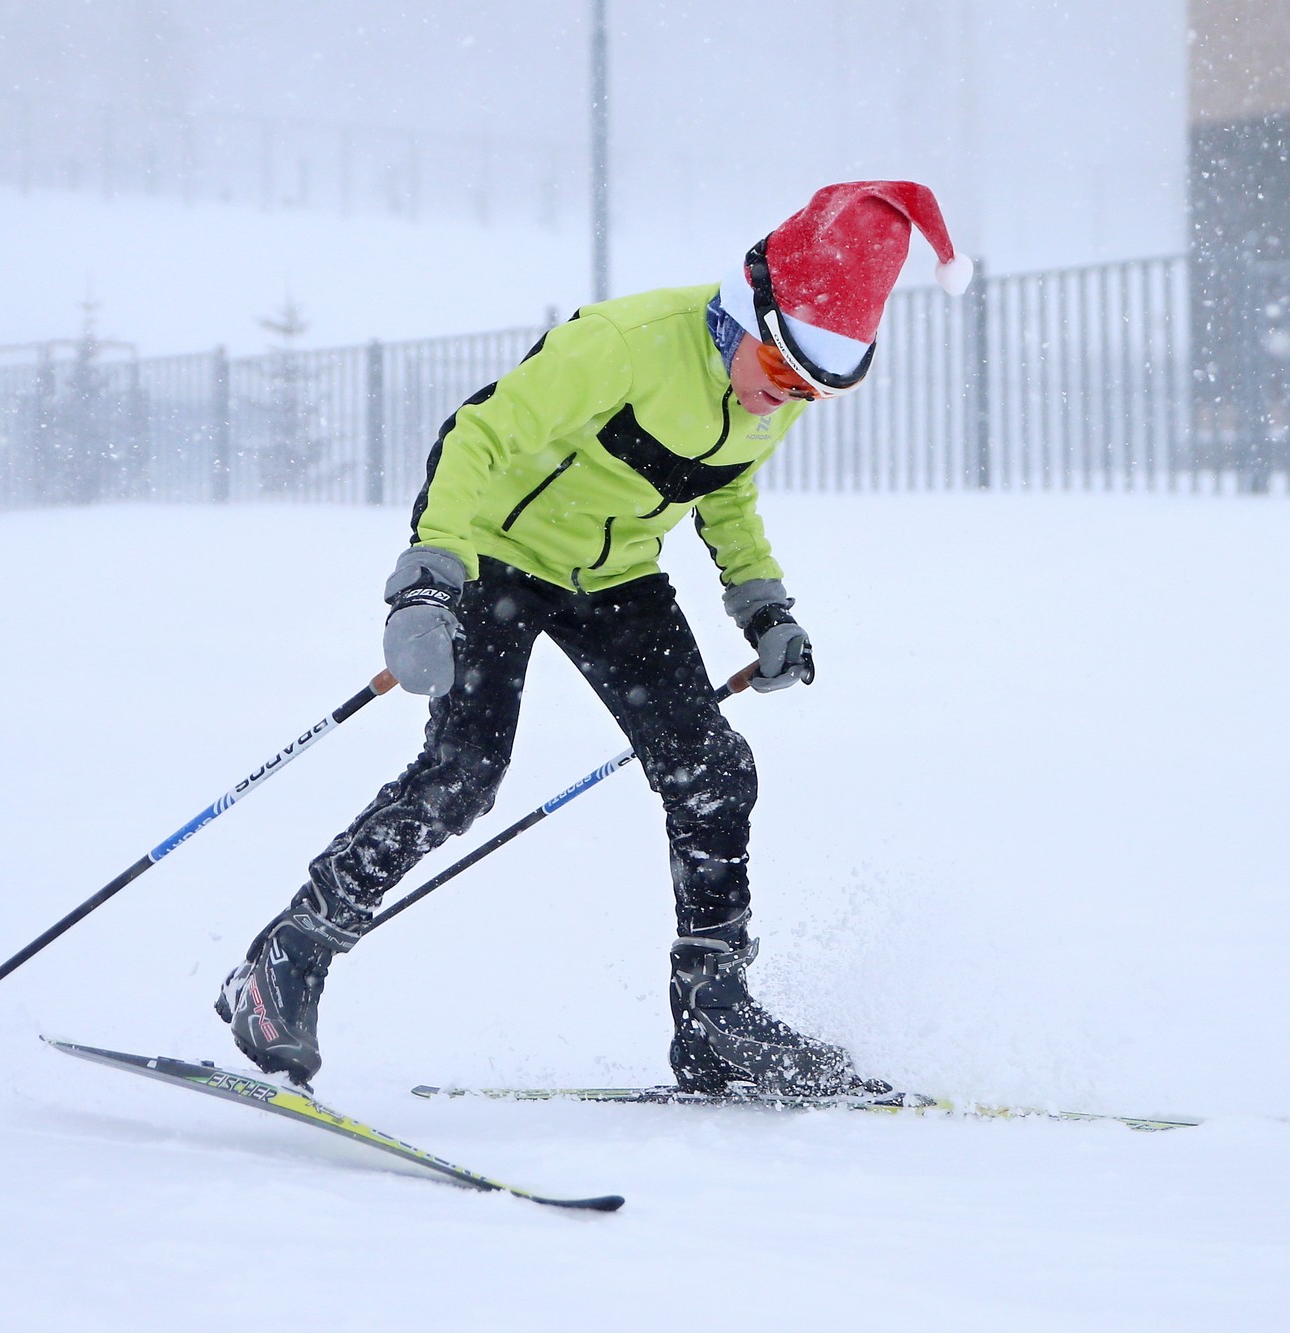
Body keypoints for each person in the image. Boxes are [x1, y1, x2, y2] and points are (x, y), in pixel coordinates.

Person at [217, 181, 971, 1093]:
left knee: (715, 771)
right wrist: (428, 581)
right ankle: (288, 958)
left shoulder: (780, 382)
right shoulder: (621, 347)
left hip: (614, 577)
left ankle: (714, 1015)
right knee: (464, 774)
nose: (783, 401)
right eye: (779, 374)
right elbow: (477, 437)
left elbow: (725, 485)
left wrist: (762, 603)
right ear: (742, 319)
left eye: (810, 390)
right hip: (497, 552)